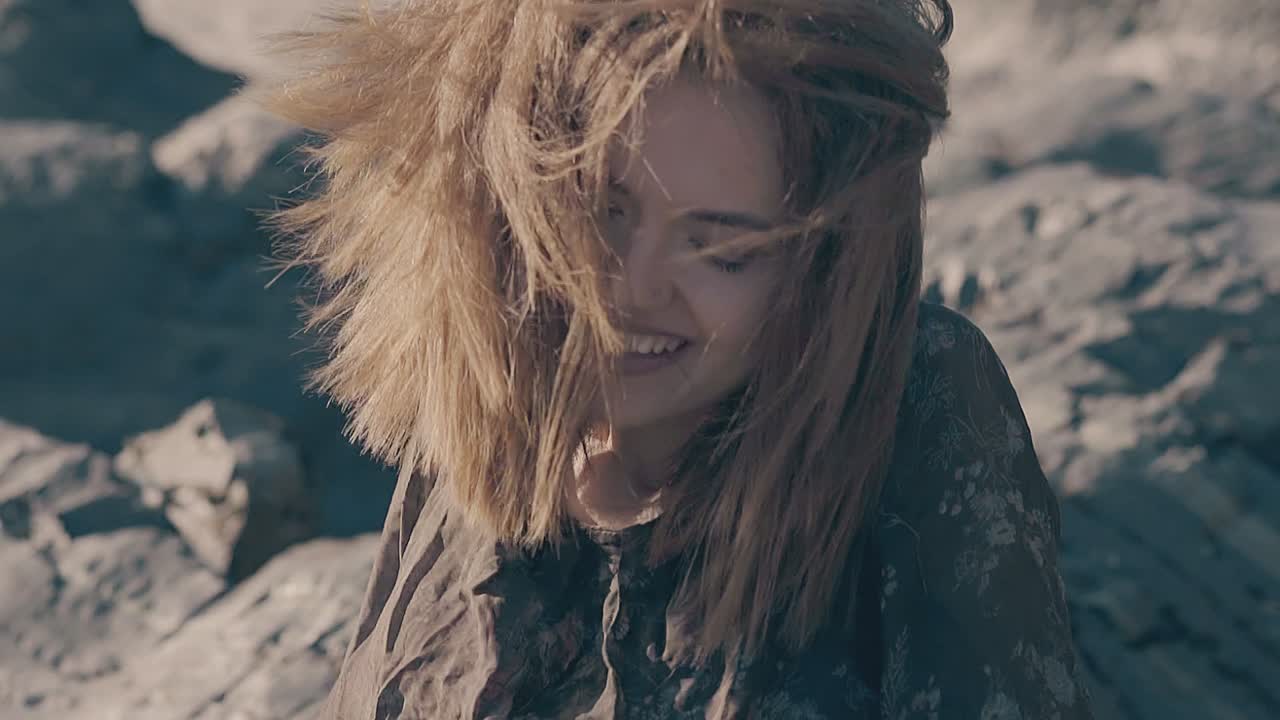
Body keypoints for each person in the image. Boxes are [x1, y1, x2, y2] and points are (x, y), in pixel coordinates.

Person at [258, 0, 1096, 717]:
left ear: (822, 272)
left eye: (722, 250)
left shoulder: (919, 401)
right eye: (599, 212)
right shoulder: (491, 391)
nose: (631, 288)